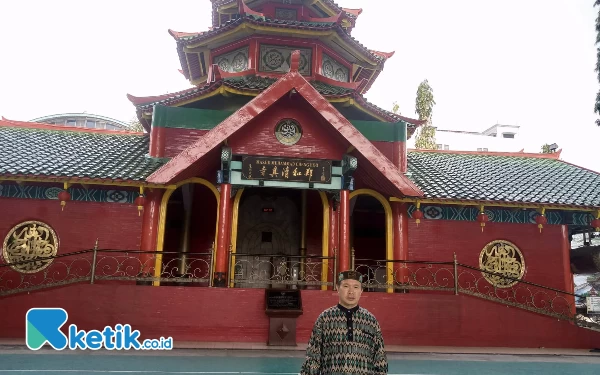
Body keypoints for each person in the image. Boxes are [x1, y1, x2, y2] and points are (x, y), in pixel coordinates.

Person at [299, 270, 388, 375]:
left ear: (361, 291)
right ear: (337, 288)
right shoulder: (324, 318)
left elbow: (380, 360)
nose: (351, 291)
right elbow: (312, 359)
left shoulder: (371, 321)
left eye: (356, 287)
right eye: (346, 286)